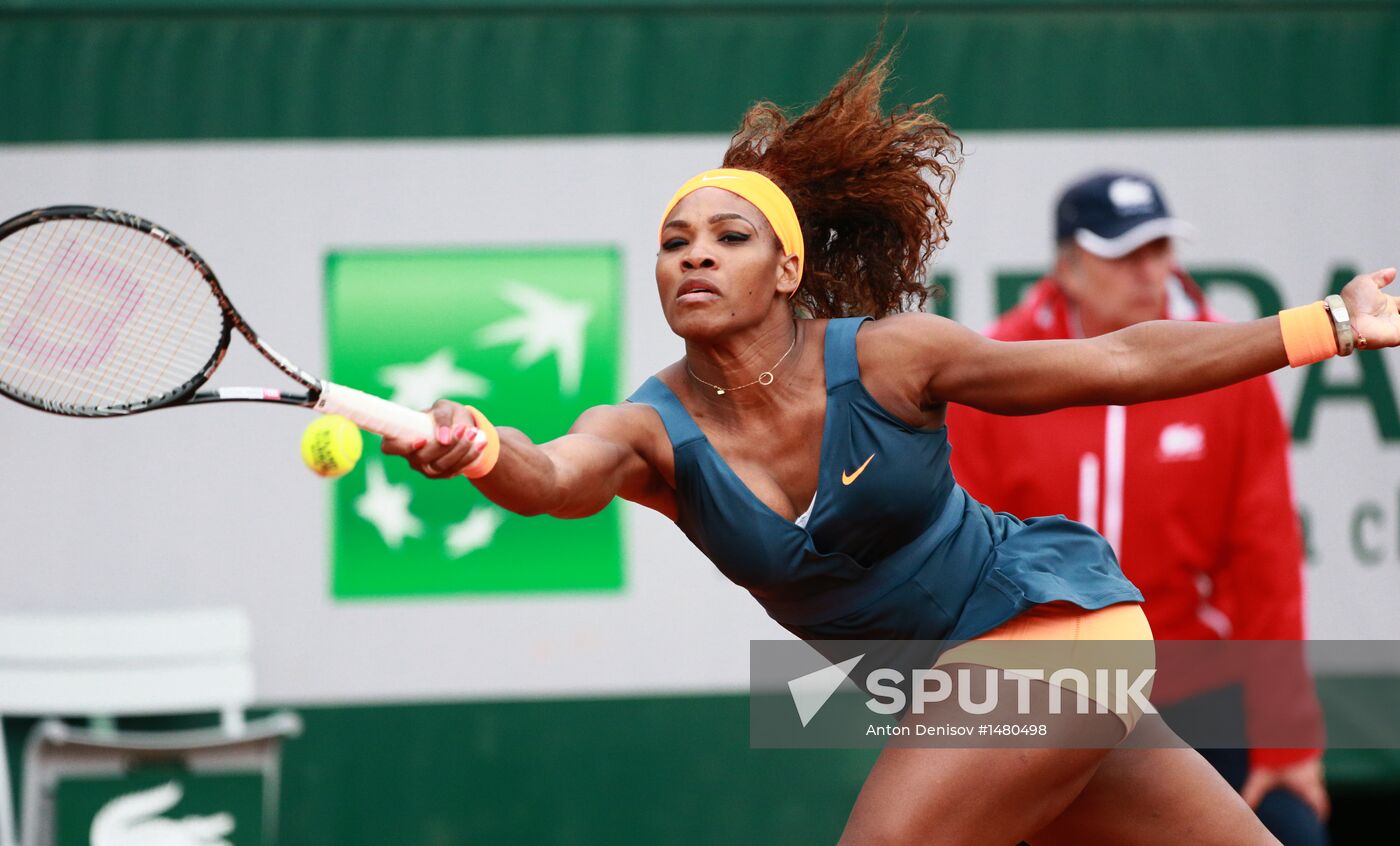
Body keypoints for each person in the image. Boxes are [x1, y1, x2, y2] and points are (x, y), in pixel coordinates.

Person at [380, 47, 1397, 845]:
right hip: (978, 696)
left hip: (1051, 631)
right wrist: (475, 449)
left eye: (727, 237)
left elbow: (1122, 361)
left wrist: (1331, 326)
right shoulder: (647, 432)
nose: (693, 251)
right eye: (674, 240)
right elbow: (549, 475)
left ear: (785, 271)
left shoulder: (889, 359)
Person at [944, 171, 1329, 845]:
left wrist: (1286, 738)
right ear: (1067, 266)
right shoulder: (995, 368)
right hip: (1053, 700)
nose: (1149, 271)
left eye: (1159, 250)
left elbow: (1265, 562)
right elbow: (965, 567)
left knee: (1292, 831)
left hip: (1201, 697)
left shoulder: (1229, 370)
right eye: (1123, 254)